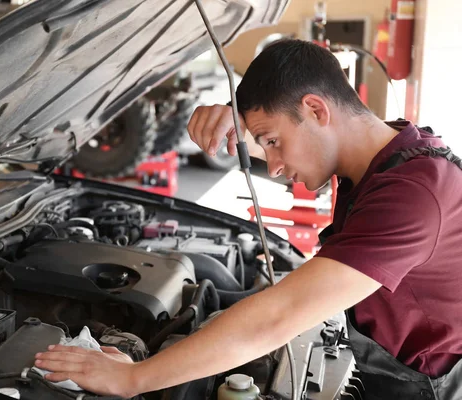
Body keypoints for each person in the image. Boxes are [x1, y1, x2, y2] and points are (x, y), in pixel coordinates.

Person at [34, 39, 462, 399]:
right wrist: (243, 134)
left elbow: (281, 315)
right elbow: (301, 144)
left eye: (273, 141)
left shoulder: (412, 195)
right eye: (264, 146)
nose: (272, 166)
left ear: (316, 109)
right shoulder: (389, 156)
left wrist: (132, 379)